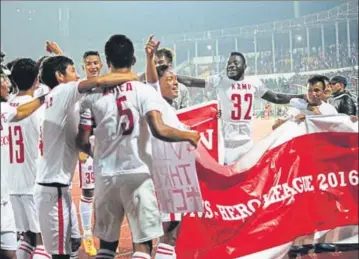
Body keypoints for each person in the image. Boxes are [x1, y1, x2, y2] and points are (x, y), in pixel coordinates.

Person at [75, 34, 200, 259]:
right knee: (142, 246)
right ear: (133, 60)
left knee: (106, 246)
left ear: (107, 60)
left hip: (105, 177)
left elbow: (82, 141)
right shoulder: (144, 91)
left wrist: (98, 153)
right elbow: (159, 129)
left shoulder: (91, 96)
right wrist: (188, 135)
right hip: (137, 175)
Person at [33, 51, 138, 259]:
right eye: (73, 70)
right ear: (59, 76)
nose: (77, 74)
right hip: (54, 188)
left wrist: (96, 154)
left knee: (72, 245)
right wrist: (132, 76)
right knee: (60, 254)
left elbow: (78, 142)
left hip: (54, 186)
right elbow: (97, 81)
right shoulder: (63, 91)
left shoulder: (57, 97)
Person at [177, 52, 306, 165]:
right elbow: (192, 82)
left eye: (235, 63)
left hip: (246, 144)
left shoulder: (254, 83)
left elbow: (277, 98)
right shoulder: (220, 80)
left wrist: (300, 97)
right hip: (225, 143)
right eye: (229, 63)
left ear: (244, 67)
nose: (231, 65)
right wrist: (170, 76)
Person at [0, 59, 46, 259]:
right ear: (37, 80)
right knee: (44, 242)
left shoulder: (7, 106)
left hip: (10, 186)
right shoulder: (39, 108)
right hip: (34, 181)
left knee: (25, 239)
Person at [78, 50, 104, 256]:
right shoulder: (80, 88)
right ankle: (87, 234)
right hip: (88, 145)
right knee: (88, 192)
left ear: (101, 64)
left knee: (107, 192)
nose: (93, 66)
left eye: (96, 63)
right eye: (89, 64)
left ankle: (104, 234)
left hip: (108, 145)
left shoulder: (107, 85)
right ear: (84, 67)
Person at [272, 75, 338, 130]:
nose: (313, 94)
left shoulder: (330, 109)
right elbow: (274, 127)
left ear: (323, 91)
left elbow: (337, 129)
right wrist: (293, 120)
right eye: (310, 90)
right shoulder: (297, 109)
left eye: (316, 90)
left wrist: (318, 116)